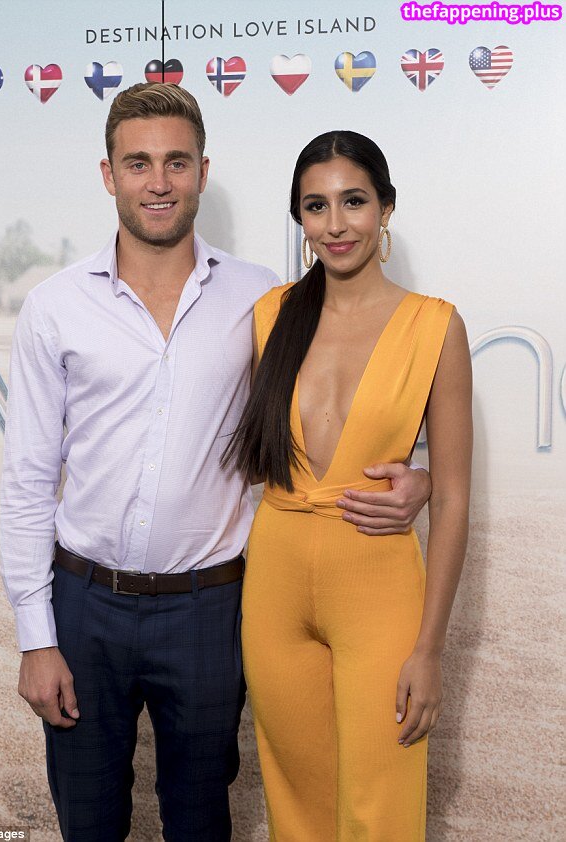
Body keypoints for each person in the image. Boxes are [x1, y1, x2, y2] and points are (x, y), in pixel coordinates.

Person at [0, 84, 433, 842]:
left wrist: (420, 473)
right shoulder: (54, 306)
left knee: (201, 820)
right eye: (138, 163)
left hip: (209, 611)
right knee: (88, 821)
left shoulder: (264, 298)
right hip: (83, 606)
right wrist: (37, 637)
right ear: (108, 174)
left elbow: (359, 386)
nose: (158, 182)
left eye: (176, 162)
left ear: (203, 172)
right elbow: (28, 482)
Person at [223, 130, 472, 841]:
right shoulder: (270, 315)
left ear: (386, 208)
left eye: (354, 201)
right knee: (296, 804)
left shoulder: (435, 326)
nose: (336, 224)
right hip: (273, 589)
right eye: (316, 206)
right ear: (299, 219)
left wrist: (430, 650)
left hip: (379, 588)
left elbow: (455, 498)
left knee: (380, 807)